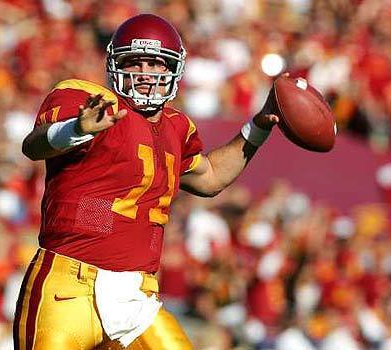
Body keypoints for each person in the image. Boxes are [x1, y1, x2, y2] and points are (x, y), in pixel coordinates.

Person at [15, 13, 279, 350]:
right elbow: (34, 145)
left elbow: (210, 177)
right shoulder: (85, 100)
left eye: (154, 63)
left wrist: (259, 127)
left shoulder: (177, 129)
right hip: (67, 286)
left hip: (137, 298)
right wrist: (76, 130)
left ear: (172, 70)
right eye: (134, 62)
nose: (143, 73)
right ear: (115, 65)